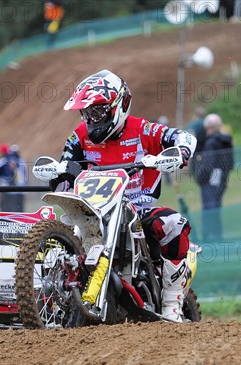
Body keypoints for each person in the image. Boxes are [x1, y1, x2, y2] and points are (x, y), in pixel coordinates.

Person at [51, 70, 196, 322]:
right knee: (59, 233)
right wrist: (59, 174)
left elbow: (183, 136)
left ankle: (172, 302)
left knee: (172, 224)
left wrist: (180, 151)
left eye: (97, 112)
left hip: (137, 208)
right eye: (87, 113)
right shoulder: (80, 135)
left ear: (119, 105)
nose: (91, 120)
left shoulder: (142, 129)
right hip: (92, 209)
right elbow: (64, 165)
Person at [195, 114, 234, 241]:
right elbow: (230, 164)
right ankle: (218, 236)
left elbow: (207, 165)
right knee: (216, 208)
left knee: (209, 210)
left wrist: (200, 179)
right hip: (222, 179)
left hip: (210, 180)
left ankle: (209, 238)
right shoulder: (226, 140)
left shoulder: (211, 143)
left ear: (207, 127)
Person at [0, 144, 16, 212]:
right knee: (10, 200)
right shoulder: (11, 158)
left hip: (3, 183)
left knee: (3, 201)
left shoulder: (3, 159)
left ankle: (4, 213)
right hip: (11, 182)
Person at [9, 144, 28, 212]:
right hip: (19, 185)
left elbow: (24, 173)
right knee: (16, 205)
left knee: (18, 205)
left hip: (18, 185)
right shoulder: (21, 160)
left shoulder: (18, 161)